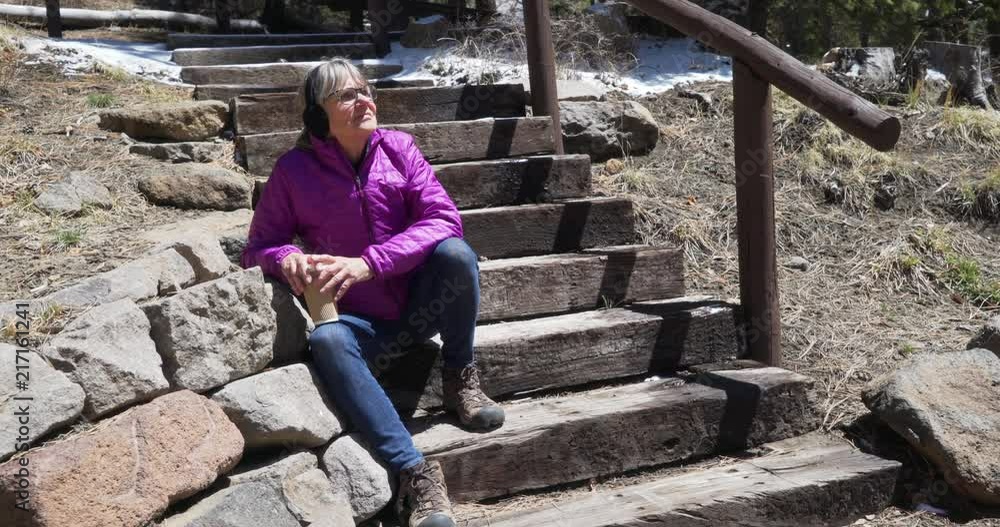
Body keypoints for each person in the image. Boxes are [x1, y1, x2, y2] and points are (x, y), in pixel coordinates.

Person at [240, 58, 505, 527]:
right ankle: (413, 473)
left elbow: (444, 219)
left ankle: (459, 376)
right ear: (317, 115)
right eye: (346, 95)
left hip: (420, 305)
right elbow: (257, 248)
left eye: (365, 90)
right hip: (361, 325)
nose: (363, 100)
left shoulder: (399, 148)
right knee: (327, 340)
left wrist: (371, 262)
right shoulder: (293, 171)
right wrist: (285, 257)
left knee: (456, 255)